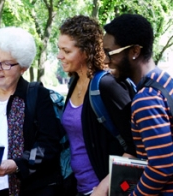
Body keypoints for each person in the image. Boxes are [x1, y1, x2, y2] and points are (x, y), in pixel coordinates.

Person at [0, 26, 62, 196]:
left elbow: (49, 145)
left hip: (30, 188)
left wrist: (17, 165)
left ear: (23, 68)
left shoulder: (38, 97)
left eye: (7, 63)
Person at [57, 15, 137, 196]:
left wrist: (104, 187)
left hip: (105, 190)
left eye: (66, 51)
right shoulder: (73, 84)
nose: (59, 55)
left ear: (86, 52)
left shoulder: (107, 86)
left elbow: (136, 142)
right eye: (59, 49)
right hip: (80, 188)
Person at [103, 13, 173, 196]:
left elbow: (161, 167)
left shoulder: (146, 99)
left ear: (134, 51)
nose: (105, 60)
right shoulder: (165, 82)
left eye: (110, 53)